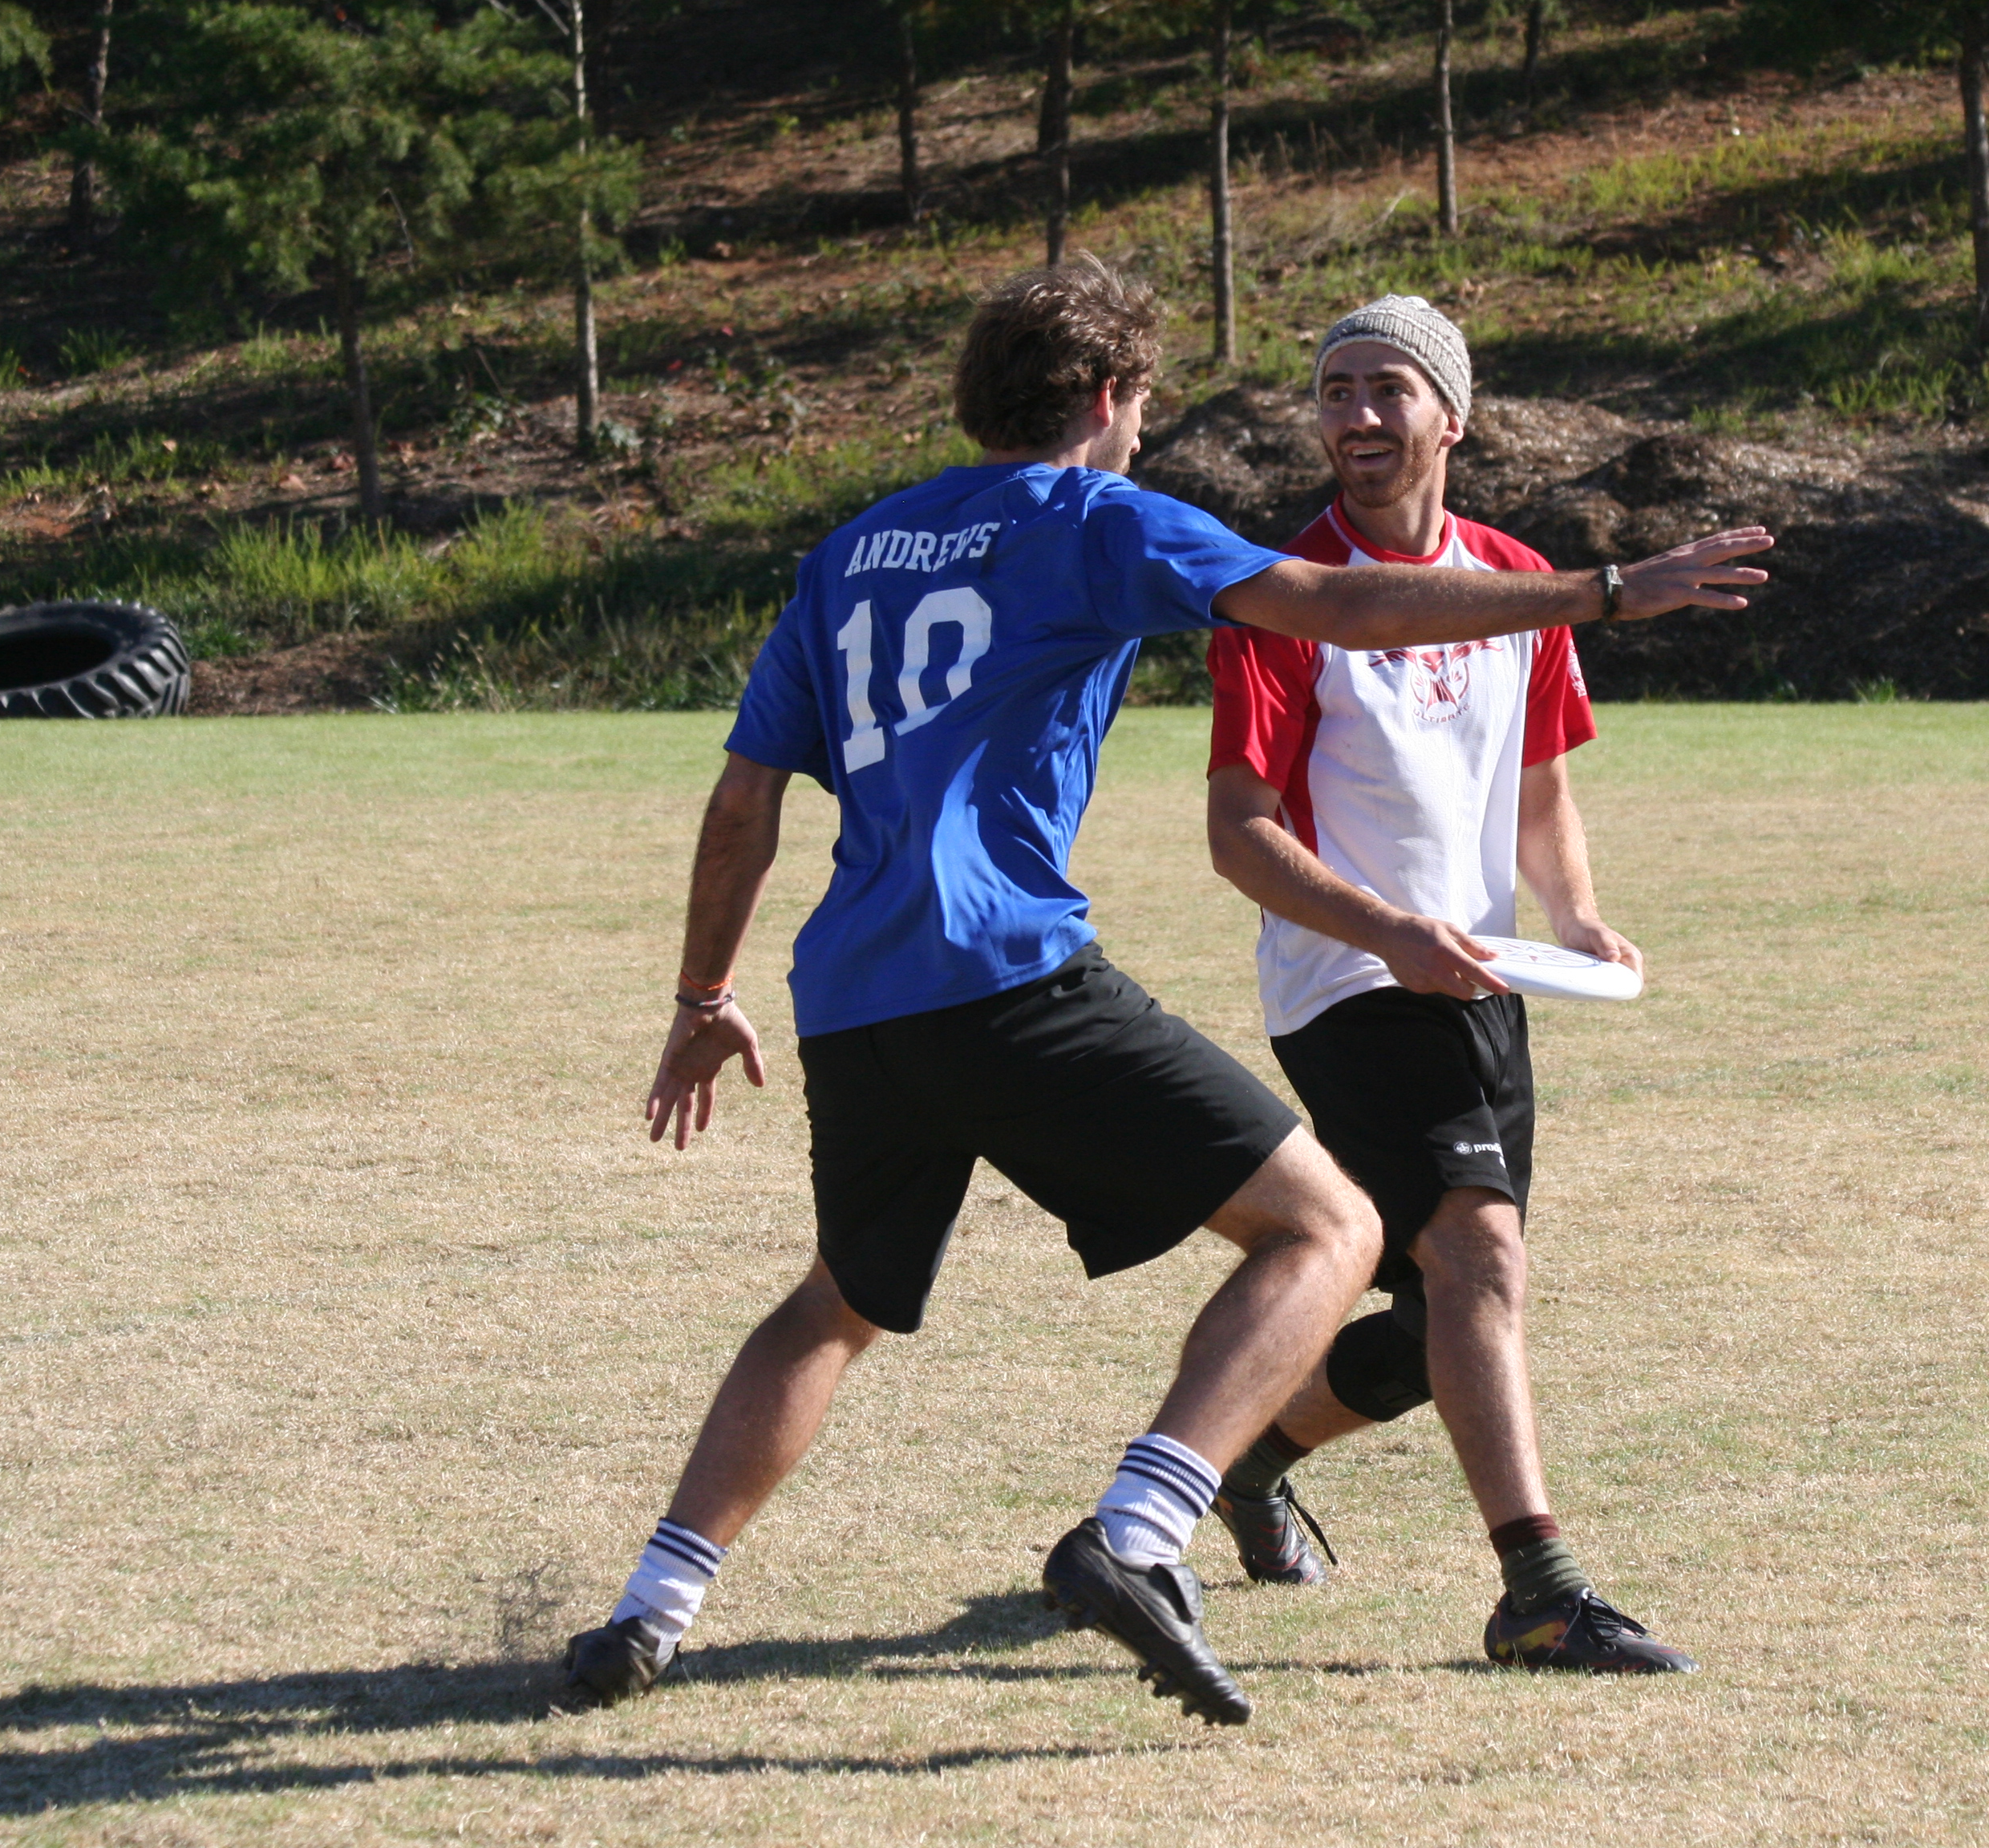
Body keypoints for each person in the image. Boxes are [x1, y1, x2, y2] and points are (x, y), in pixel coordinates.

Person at [561, 260, 1771, 1724]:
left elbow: (744, 800)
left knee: (838, 1303)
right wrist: (1606, 591)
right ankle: (1140, 1532)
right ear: (1106, 396)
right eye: (1140, 406)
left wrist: (704, 994)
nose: (1141, 433)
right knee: (1330, 1228)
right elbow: (1326, 602)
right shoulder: (1096, 518)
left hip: (855, 1002)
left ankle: (649, 1610)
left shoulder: (852, 551)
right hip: (1008, 972)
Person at [1201, 295, 1693, 1674]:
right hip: (1346, 982)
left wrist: (1575, 913)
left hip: (1483, 981)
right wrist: (1389, 932)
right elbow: (1241, 835)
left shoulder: (1516, 580)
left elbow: (1538, 785)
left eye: (1387, 388)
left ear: (1451, 418)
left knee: (1440, 1319)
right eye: (1334, 390)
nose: (1355, 414)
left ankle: (1247, 1458)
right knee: (1482, 1256)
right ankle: (1540, 1591)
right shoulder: (1283, 593)